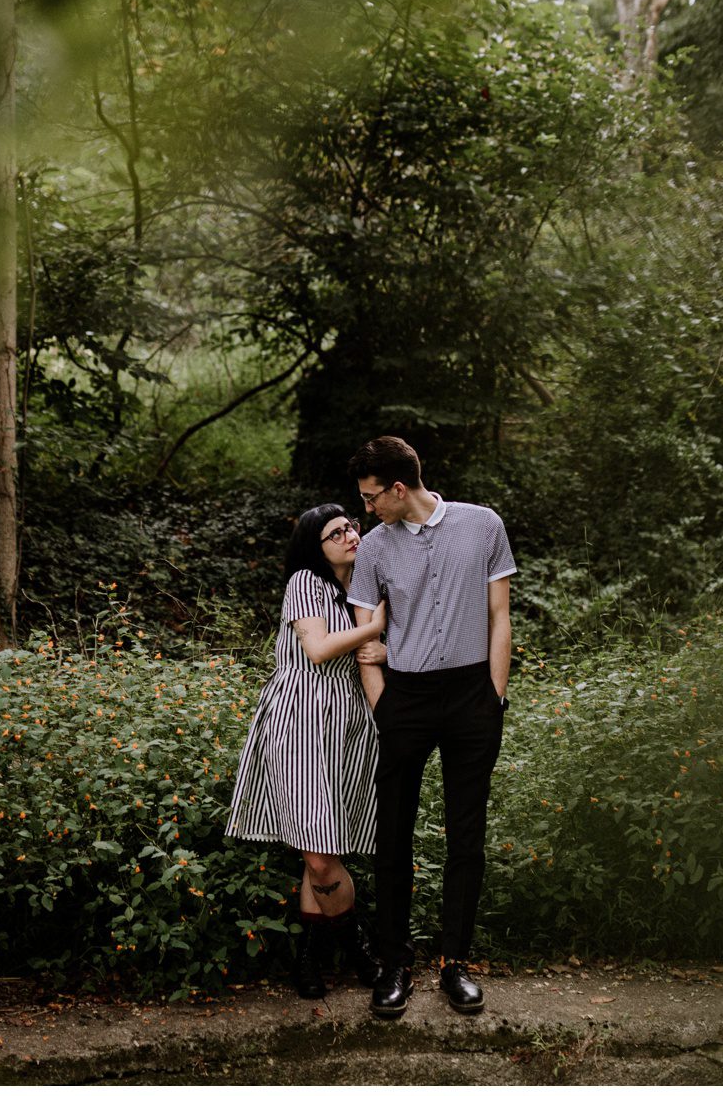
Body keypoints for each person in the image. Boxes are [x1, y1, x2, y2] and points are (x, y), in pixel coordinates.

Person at [345, 435, 515, 1020]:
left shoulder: (484, 524)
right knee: (392, 833)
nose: (366, 510)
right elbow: (367, 640)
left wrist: (494, 696)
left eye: (372, 498)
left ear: (398, 488)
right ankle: (395, 964)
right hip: (406, 698)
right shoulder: (372, 549)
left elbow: (500, 615)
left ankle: (455, 964)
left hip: (472, 694)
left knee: (466, 834)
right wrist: (383, 707)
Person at [226, 504, 389, 999]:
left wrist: (387, 647)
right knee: (319, 856)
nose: (349, 535)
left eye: (351, 526)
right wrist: (377, 628)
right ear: (315, 547)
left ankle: (310, 956)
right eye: (335, 532)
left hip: (350, 724)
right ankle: (359, 945)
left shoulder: (366, 586)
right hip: (300, 719)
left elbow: (391, 649)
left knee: (323, 847)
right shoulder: (306, 583)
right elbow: (317, 650)